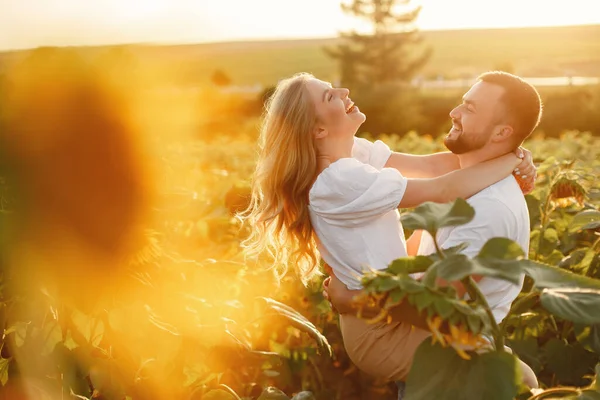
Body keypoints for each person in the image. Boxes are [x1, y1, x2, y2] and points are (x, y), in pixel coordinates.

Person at [241, 71, 537, 393]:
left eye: (470, 107)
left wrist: (514, 156)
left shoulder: (351, 153)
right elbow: (442, 188)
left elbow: (434, 167)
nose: (343, 90)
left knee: (516, 378)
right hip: (378, 331)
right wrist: (510, 159)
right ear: (319, 129)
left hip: (384, 309)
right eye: (329, 96)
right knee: (523, 380)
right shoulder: (339, 179)